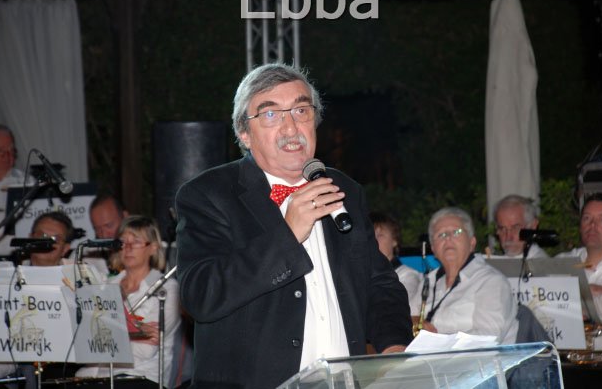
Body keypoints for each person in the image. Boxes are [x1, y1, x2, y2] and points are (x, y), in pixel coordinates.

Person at [175, 63, 412, 388]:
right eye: (271, 114)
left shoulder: (345, 190)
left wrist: (394, 345)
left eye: (301, 110)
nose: (290, 127)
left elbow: (379, 285)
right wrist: (287, 235)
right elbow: (201, 296)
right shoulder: (208, 194)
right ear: (244, 133)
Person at [76, 215, 181, 388]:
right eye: (123, 242)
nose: (128, 248)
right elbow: (87, 345)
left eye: (136, 241)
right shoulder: (105, 285)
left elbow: (145, 351)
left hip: (141, 378)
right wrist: (134, 334)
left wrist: (107, 337)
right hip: (99, 376)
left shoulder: (168, 289)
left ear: (153, 248)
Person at [416, 207, 518, 344]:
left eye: (456, 232)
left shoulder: (492, 282)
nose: (448, 238)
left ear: (472, 242)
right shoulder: (428, 281)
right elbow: (404, 319)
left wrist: (437, 339)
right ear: (433, 248)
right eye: (441, 235)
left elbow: (488, 340)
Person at [556, 194, 602, 348]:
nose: (592, 225)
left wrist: (568, 297)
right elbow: (540, 301)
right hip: (569, 355)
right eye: (587, 218)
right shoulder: (564, 260)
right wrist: (598, 291)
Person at [0, 124, 33, 257]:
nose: (9, 155)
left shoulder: (28, 182)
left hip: (20, 258)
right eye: (1, 151)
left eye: (12, 150)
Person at [370, 211, 422, 315]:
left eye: (380, 235)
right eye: (370, 236)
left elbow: (396, 310)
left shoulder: (408, 276)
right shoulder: (359, 275)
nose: (373, 241)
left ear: (394, 240)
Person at [493, 194, 548, 258]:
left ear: (533, 226)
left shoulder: (540, 262)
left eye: (515, 228)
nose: (508, 237)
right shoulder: (494, 262)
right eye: (502, 228)